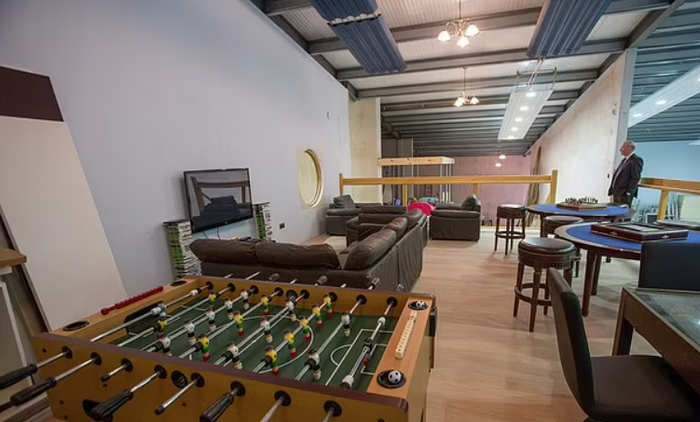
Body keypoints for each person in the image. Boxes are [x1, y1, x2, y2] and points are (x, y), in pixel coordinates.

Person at [608, 140, 643, 207]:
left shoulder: (636, 160)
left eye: (622, 147)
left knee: (623, 212)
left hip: (624, 194)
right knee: (615, 210)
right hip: (617, 192)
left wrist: (628, 192)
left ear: (628, 148)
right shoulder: (624, 160)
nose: (620, 149)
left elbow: (635, 177)